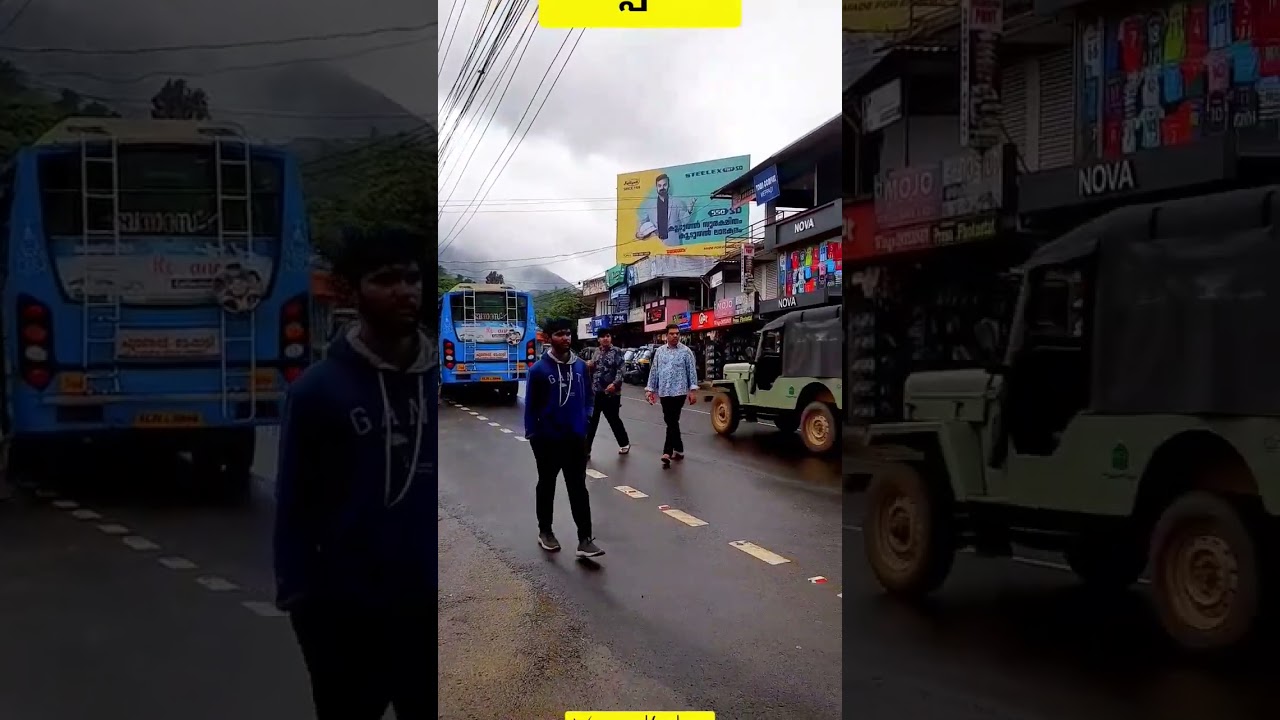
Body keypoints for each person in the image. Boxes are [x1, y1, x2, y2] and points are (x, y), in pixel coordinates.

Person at [273, 226, 434, 719]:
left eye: (412, 278)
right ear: (350, 290)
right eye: (386, 280)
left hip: (427, 612)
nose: (404, 291)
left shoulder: (436, 383)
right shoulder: (318, 392)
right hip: (346, 615)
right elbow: (294, 506)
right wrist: (304, 603)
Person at [524, 317, 605, 558]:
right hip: (547, 440)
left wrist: (587, 419)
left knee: (578, 487)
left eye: (568, 334)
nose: (566, 338)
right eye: (560, 334)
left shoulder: (580, 366)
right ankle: (545, 531)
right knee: (547, 484)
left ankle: (584, 539)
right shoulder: (538, 370)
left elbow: (590, 397)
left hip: (575, 438)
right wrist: (533, 436)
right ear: (549, 338)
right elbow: (531, 407)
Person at [645, 323, 699, 468]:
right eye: (672, 333)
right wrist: (650, 389)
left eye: (677, 334)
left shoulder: (686, 351)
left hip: (679, 391)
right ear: (666, 336)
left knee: (673, 419)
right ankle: (679, 449)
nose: (675, 336)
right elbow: (655, 371)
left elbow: (691, 372)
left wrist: (692, 391)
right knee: (670, 420)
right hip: (664, 391)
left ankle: (667, 452)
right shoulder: (660, 352)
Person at [585, 328, 631, 457]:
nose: (605, 338)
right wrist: (590, 365)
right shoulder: (596, 352)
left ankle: (624, 443)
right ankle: (586, 449)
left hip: (611, 393)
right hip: (596, 392)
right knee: (592, 421)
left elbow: (621, 370)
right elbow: (593, 368)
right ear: (598, 339)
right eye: (603, 337)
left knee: (613, 419)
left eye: (608, 336)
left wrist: (615, 384)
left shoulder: (617, 351)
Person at [635, 173, 696, 246]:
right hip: (655, 245)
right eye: (659, 185)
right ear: (656, 187)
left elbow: (684, 221)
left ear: (668, 186)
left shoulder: (677, 202)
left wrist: (689, 210)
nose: (662, 188)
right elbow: (643, 222)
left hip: (673, 244)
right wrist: (638, 233)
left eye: (664, 185)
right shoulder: (649, 204)